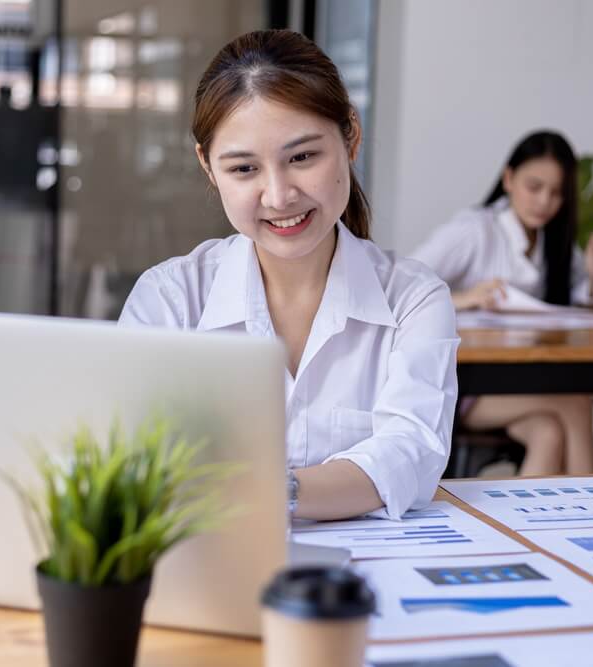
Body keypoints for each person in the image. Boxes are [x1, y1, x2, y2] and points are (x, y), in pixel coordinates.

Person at [119, 30, 459, 521]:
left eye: (302, 157)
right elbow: (139, 458)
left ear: (351, 137)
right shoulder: (171, 299)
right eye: (243, 169)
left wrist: (264, 491)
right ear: (208, 168)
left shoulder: (412, 298)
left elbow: (410, 451)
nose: (279, 196)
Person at [411, 131, 593, 476]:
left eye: (556, 193)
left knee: (547, 432)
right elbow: (402, 287)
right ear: (508, 179)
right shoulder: (475, 230)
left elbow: (573, 305)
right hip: (465, 385)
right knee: (576, 400)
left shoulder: (552, 242)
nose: (544, 201)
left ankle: (541, 527)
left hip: (520, 381)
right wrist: (466, 298)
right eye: (534, 187)